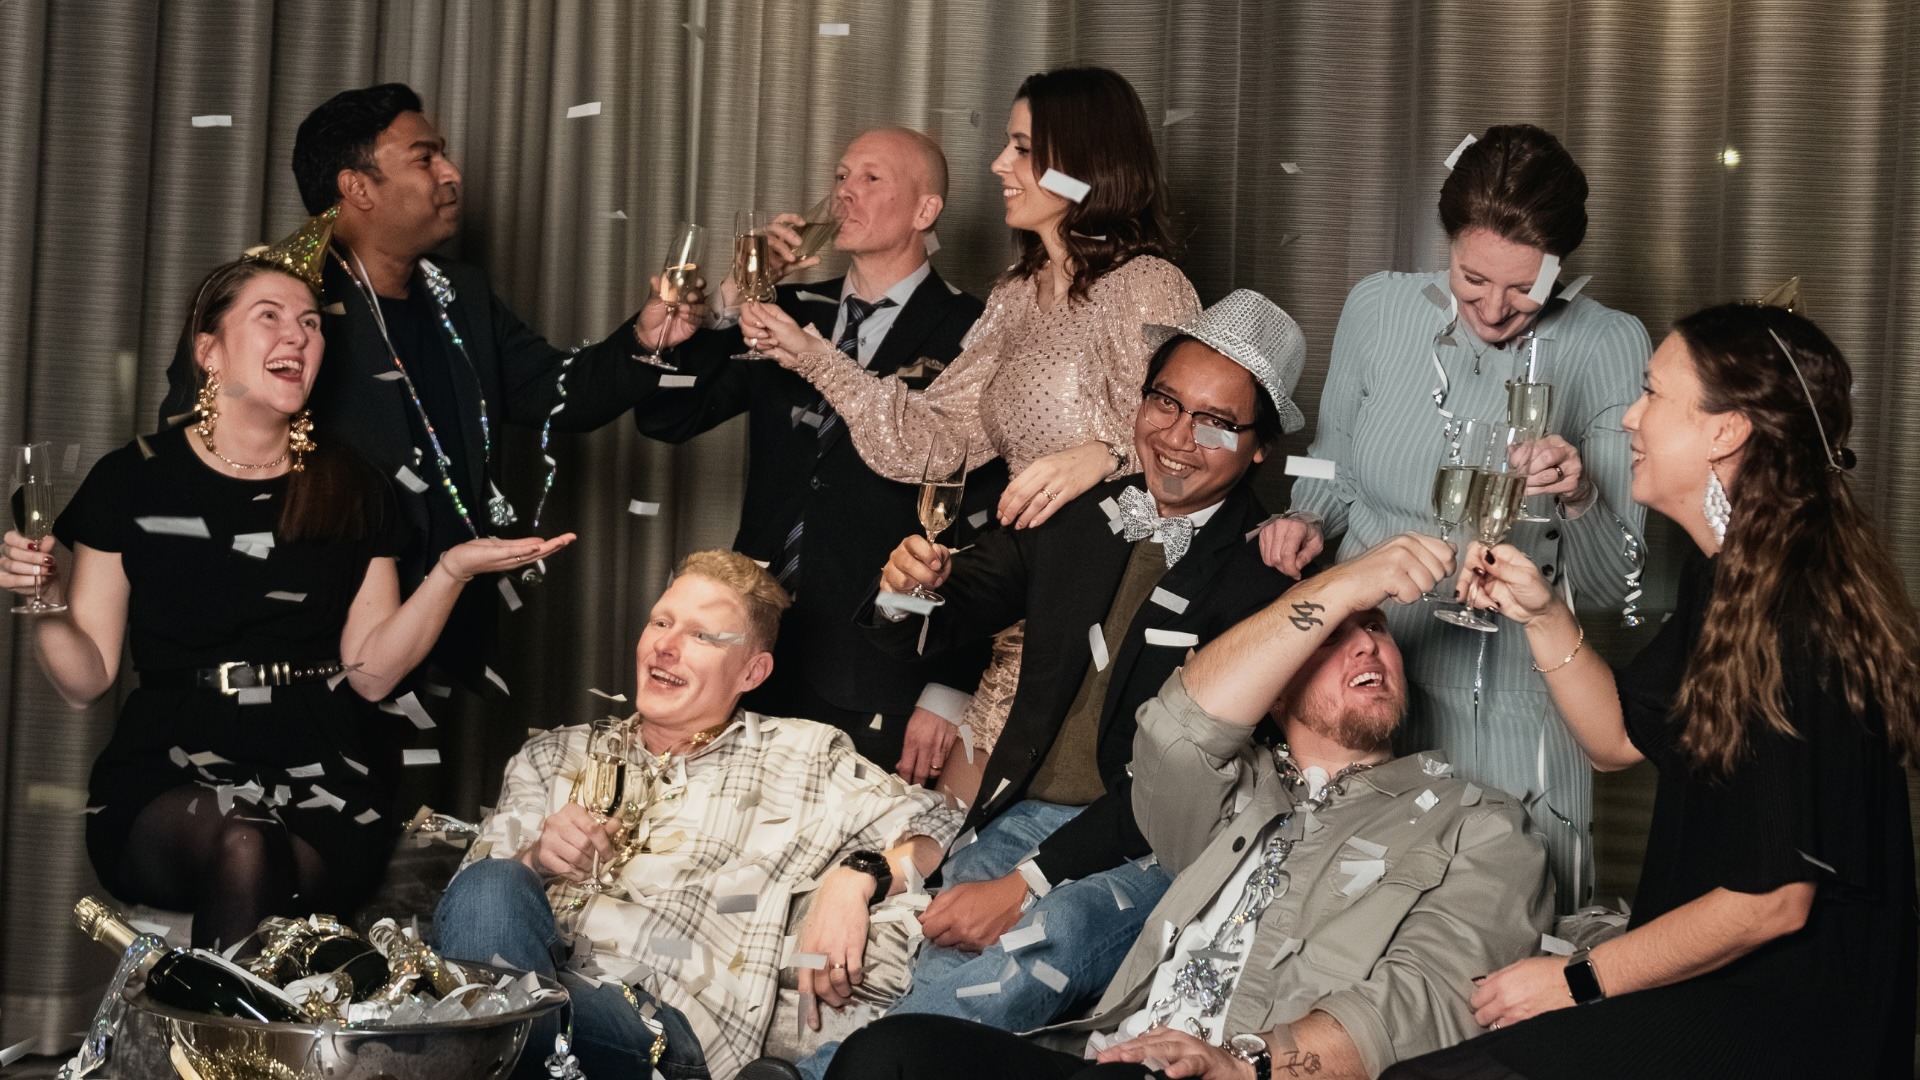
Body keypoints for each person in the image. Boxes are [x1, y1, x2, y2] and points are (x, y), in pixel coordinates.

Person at [755, 291, 1301, 1080]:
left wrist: (1027, 883)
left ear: (1258, 448)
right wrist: (909, 587)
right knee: (930, 960)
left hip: (1158, 842)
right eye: (1165, 403)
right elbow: (943, 616)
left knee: (1052, 938)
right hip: (1021, 813)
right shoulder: (1084, 512)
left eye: (1217, 422)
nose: (1180, 439)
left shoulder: (1267, 571)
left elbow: (1179, 779)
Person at [1386, 302, 1920, 1078]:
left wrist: (1579, 981)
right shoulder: (1732, 572)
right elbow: (1613, 743)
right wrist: (1541, 612)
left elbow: (1773, 900)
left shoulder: (1792, 607)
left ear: (1724, 431)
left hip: (1788, 1009)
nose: (1630, 417)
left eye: (1653, 393)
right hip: (1721, 978)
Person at [827, 533, 1554, 1080]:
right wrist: (1345, 585)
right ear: (1273, 679)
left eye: (1377, 631)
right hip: (1109, 1056)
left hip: (1241, 1070)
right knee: (883, 1055)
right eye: (1333, 637)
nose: (1366, 648)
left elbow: (1420, 1003)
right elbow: (1176, 730)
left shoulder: (1480, 825)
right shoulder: (1230, 795)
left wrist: (1247, 1062)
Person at [0, 256, 570, 950]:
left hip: (322, 780)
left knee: (257, 846)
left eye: (309, 324)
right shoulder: (132, 481)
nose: (297, 337)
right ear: (208, 350)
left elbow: (372, 673)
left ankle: (218, 1052)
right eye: (268, 317)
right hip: (167, 775)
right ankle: (234, 1053)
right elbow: (85, 680)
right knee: (242, 839)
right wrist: (50, 598)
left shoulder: (351, 486)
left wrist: (450, 571)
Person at [742, 65, 1200, 796]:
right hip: (1024, 613)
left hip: (1113, 620)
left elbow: (1199, 444)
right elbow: (932, 442)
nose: (998, 165)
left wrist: (1106, 451)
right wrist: (813, 358)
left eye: (1021, 147)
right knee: (947, 851)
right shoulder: (1017, 295)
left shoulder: (1147, 285)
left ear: (1081, 164)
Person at [158, 84, 690, 688]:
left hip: (441, 629)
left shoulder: (458, 295)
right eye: (425, 157)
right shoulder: (274, 301)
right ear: (356, 187)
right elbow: (194, 449)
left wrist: (644, 340)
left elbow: (558, 393)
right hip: (306, 629)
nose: (452, 173)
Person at [1261, 124, 1650, 909]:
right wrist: (1306, 518)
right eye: (1474, 279)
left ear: (1562, 268)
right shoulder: (1377, 307)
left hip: (1508, 704)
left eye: (1525, 288)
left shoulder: (1611, 345)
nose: (1497, 309)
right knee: (1342, 941)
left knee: (1497, 943)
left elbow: (1616, 588)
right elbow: (1332, 465)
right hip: (1361, 688)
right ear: (1447, 243)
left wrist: (1579, 494)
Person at [434, 550, 962, 1080]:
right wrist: (535, 860)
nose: (665, 645)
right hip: (524, 985)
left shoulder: (803, 757)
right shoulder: (553, 755)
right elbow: (471, 911)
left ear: (752, 671)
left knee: (483, 1028)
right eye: (661, 622)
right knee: (494, 885)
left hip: (659, 1023)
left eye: (703, 636)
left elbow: (944, 823)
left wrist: (856, 878)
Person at [629, 127, 1006, 776]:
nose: (843, 194)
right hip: (751, 643)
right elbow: (667, 414)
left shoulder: (974, 332)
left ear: (925, 212)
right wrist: (721, 302)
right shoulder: (788, 308)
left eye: (871, 179)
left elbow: (985, 517)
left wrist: (950, 685)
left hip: (882, 662)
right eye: (839, 176)